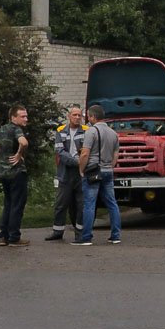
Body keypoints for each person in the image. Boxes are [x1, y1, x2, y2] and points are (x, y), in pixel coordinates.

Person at [73, 104, 121, 246]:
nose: (88, 118)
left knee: (89, 204)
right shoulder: (113, 133)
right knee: (112, 204)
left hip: (94, 171)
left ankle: (86, 237)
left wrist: (81, 169)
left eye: (88, 116)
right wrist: (110, 167)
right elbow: (116, 155)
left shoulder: (91, 132)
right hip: (108, 171)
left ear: (93, 117)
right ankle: (115, 236)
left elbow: (85, 153)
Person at [46, 105, 87, 242]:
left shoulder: (86, 131)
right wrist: (76, 161)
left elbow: (87, 150)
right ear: (69, 116)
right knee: (61, 203)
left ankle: (80, 232)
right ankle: (57, 231)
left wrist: (81, 163)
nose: (77, 117)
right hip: (65, 172)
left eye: (79, 115)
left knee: (81, 205)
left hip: (81, 173)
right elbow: (60, 151)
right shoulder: (61, 131)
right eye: (74, 115)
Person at [0, 104, 31, 247]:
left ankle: (4, 236)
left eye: (26, 116)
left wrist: (4, 153)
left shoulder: (2, 129)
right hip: (17, 172)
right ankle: (14, 237)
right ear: (13, 117)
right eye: (22, 116)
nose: (26, 119)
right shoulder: (17, 129)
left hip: (4, 172)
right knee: (17, 204)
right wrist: (18, 154)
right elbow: (24, 142)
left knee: (8, 203)